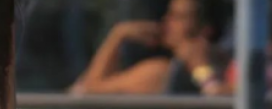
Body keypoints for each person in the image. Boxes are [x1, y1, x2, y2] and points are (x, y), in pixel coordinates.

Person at [70, 0, 226, 96]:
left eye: (178, 17)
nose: (167, 21)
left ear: (205, 29)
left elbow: (88, 92)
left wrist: (117, 35)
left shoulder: (159, 72)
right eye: (169, 14)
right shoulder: (224, 64)